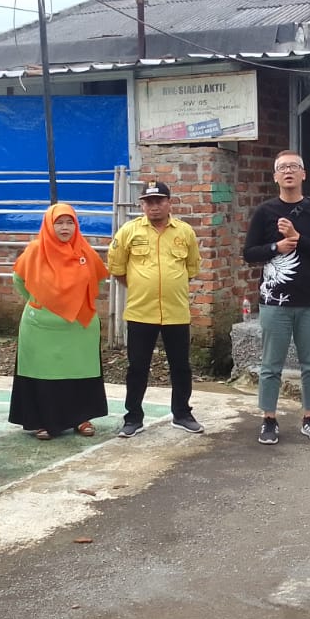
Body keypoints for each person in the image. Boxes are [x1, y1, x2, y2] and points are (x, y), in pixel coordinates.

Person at [243, 150, 310, 444]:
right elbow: (249, 253)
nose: (288, 171)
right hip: (275, 302)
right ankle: (268, 419)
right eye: (282, 168)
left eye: (294, 166)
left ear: (303, 174)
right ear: (275, 177)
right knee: (271, 365)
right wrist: (276, 247)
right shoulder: (265, 212)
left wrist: (298, 239)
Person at [107, 181, 203, 437]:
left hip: (176, 312)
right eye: (148, 202)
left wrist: (169, 285)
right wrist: (143, 286)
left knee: (180, 366)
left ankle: (182, 414)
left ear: (169, 203)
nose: (154, 206)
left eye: (159, 201)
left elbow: (191, 269)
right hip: (141, 312)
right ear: (142, 205)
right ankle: (133, 418)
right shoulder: (129, 231)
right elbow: (117, 268)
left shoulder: (185, 232)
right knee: (137, 367)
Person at [9, 203, 110, 439]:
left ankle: (81, 417)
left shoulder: (85, 252)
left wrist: (76, 303)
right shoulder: (35, 251)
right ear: (49, 225)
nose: (65, 228)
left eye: (70, 222)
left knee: (79, 371)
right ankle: (41, 420)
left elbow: (98, 282)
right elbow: (19, 280)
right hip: (41, 328)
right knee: (43, 375)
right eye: (59, 223)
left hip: (79, 328)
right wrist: (43, 301)